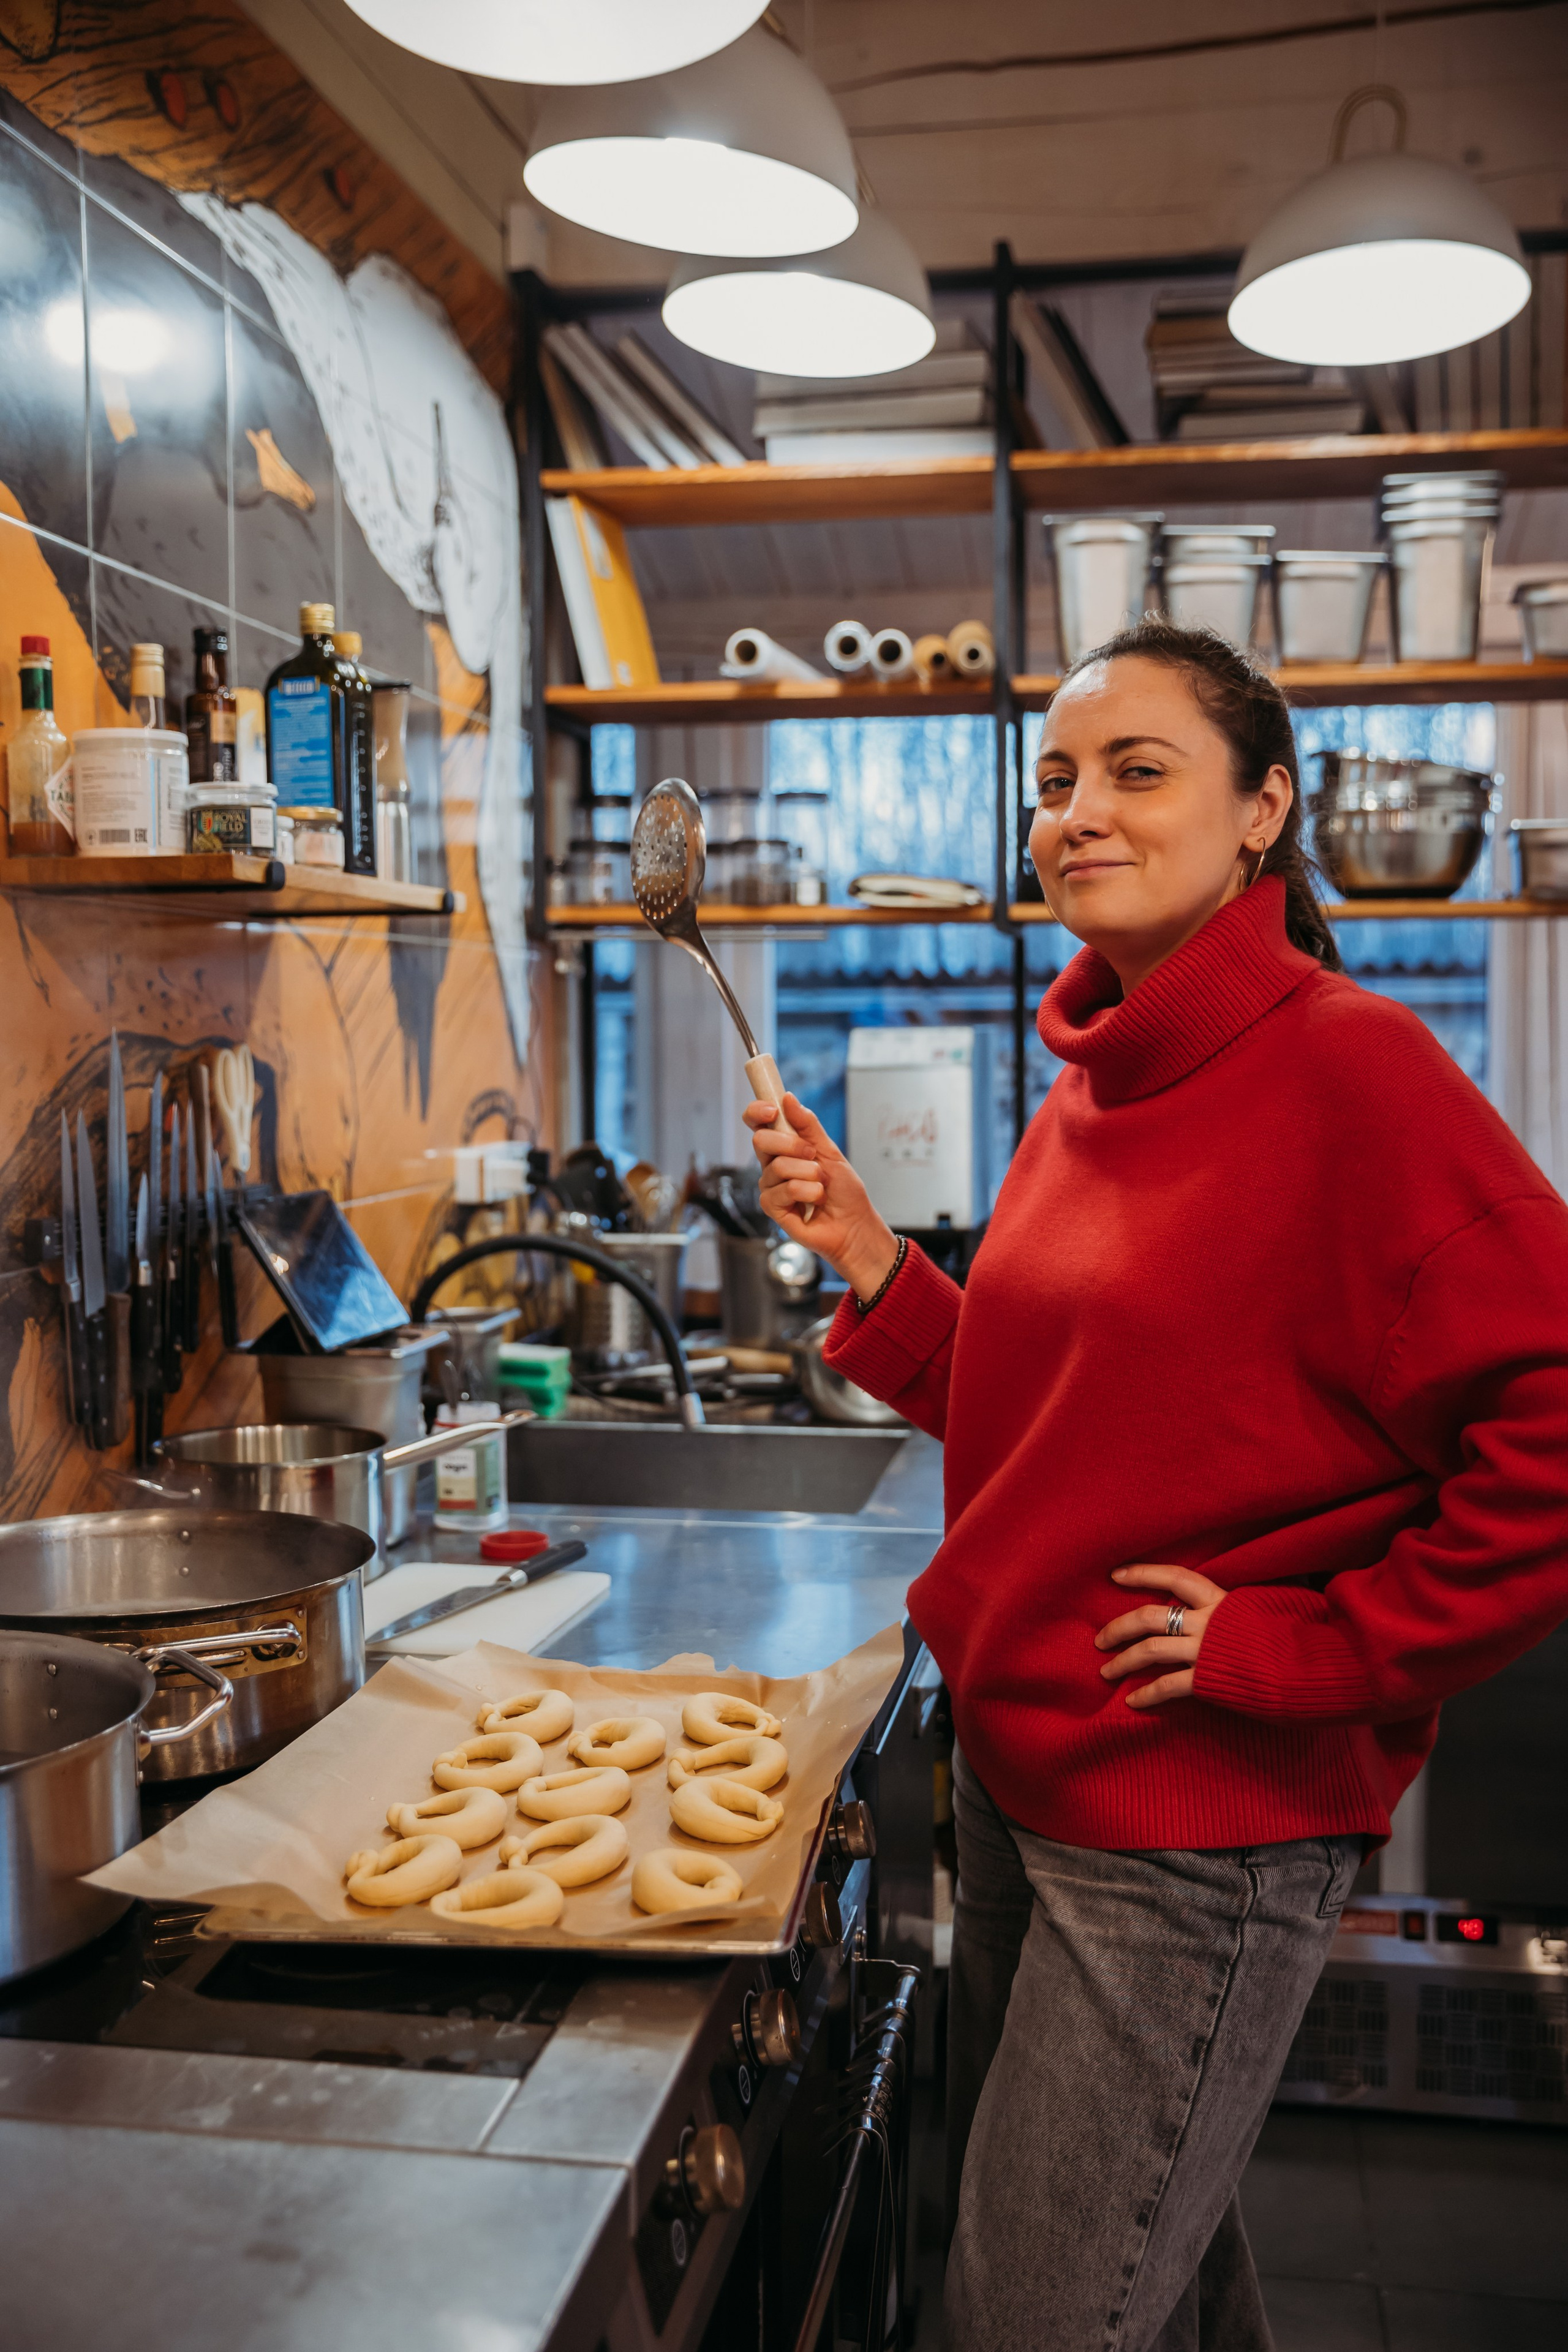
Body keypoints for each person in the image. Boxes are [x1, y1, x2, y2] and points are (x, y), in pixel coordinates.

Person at [744, 617, 1568, 2352]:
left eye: (1137, 771)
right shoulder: (1093, 1080)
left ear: (1265, 811)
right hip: (1033, 1774)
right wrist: (881, 1268)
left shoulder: (1355, 1072)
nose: (1078, 813)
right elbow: (1058, 1422)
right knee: (1153, 2285)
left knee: (1034, 2316)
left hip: (1196, 1822)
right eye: (1055, 781)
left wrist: (1314, 1651)